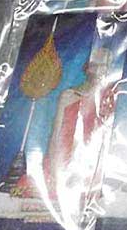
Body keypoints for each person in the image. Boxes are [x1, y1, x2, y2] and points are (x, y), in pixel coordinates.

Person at [15, 48, 115, 199]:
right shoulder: (69, 96)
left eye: (104, 66)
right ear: (87, 68)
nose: (99, 71)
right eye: (95, 66)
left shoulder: (109, 99)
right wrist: (54, 167)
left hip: (92, 162)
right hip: (65, 158)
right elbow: (56, 135)